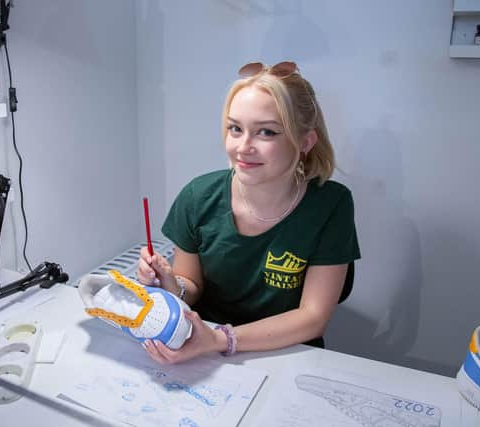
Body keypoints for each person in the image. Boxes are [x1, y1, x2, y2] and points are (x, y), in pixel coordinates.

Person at [137, 61, 360, 364]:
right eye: (235, 129)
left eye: (266, 132)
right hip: (202, 352)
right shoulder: (198, 196)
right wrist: (169, 284)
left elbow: (312, 317)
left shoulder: (331, 205)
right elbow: (192, 287)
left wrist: (221, 339)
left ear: (305, 141)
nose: (243, 147)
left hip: (286, 354)